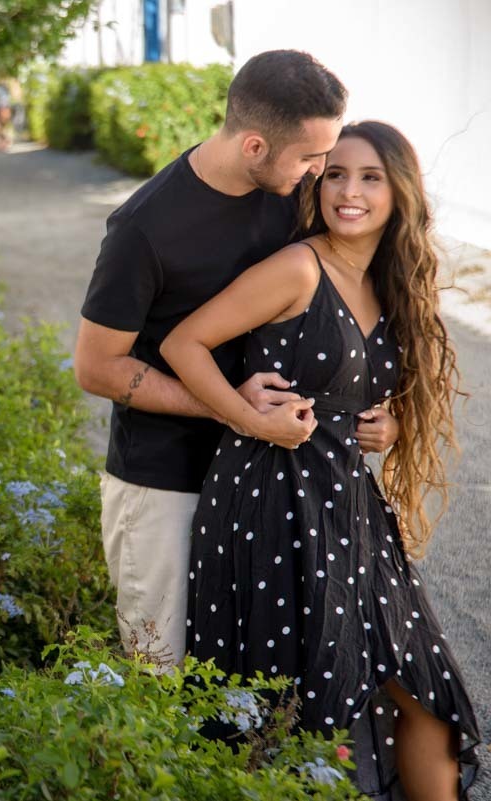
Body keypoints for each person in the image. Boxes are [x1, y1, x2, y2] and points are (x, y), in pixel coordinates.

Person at [161, 121, 480, 800]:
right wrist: (248, 416)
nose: (349, 191)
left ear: (400, 192)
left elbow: (369, 386)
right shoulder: (299, 267)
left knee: (422, 686)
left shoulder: (389, 282)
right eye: (334, 173)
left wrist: (389, 423)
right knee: (295, 700)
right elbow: (183, 344)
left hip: (351, 509)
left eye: (369, 177)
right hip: (268, 503)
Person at [74, 50, 400, 663]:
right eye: (309, 158)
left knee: (263, 678)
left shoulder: (292, 195)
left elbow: (335, 310)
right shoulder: (142, 229)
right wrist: (234, 411)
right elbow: (97, 367)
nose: (319, 173)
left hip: (272, 482)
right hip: (167, 482)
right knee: (163, 674)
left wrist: (372, 412)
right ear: (254, 146)